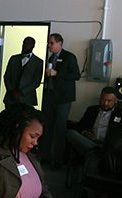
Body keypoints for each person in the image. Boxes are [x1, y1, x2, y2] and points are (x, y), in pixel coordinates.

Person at [40, 33, 80, 167]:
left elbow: (76, 75)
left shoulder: (69, 57)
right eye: (48, 43)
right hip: (50, 96)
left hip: (63, 98)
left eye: (51, 43)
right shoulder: (51, 58)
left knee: (60, 128)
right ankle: (45, 156)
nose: (49, 46)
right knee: (47, 127)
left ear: (60, 43)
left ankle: (58, 160)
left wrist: (57, 73)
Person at [67, 86, 122, 156]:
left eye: (109, 101)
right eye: (103, 100)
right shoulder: (91, 110)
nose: (105, 103)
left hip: (108, 145)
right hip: (90, 141)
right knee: (71, 133)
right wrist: (85, 133)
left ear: (115, 101)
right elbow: (80, 126)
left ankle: (94, 152)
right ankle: (96, 150)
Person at [3, 37, 44, 107]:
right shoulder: (13, 59)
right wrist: (11, 90)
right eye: (24, 43)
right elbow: (6, 76)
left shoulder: (38, 62)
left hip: (27, 98)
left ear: (33, 46)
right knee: (9, 117)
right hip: (11, 98)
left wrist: (22, 92)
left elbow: (36, 82)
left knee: (26, 117)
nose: (24, 45)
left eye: (28, 44)